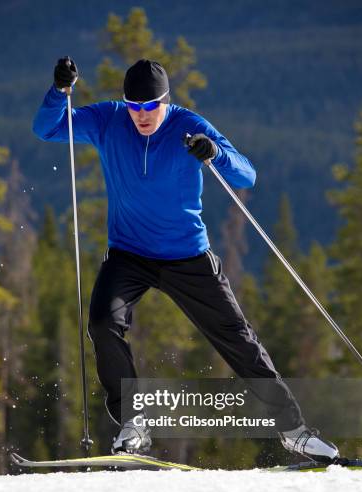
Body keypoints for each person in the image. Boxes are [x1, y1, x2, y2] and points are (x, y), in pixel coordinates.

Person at [33, 56, 339, 464]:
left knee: (239, 341)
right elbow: (47, 128)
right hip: (128, 254)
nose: (141, 115)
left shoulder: (188, 125)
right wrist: (59, 92)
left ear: (166, 100)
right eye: (134, 107)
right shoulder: (109, 119)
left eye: (150, 106)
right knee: (103, 323)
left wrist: (215, 154)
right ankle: (134, 422)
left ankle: (294, 431)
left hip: (187, 256)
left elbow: (247, 176)